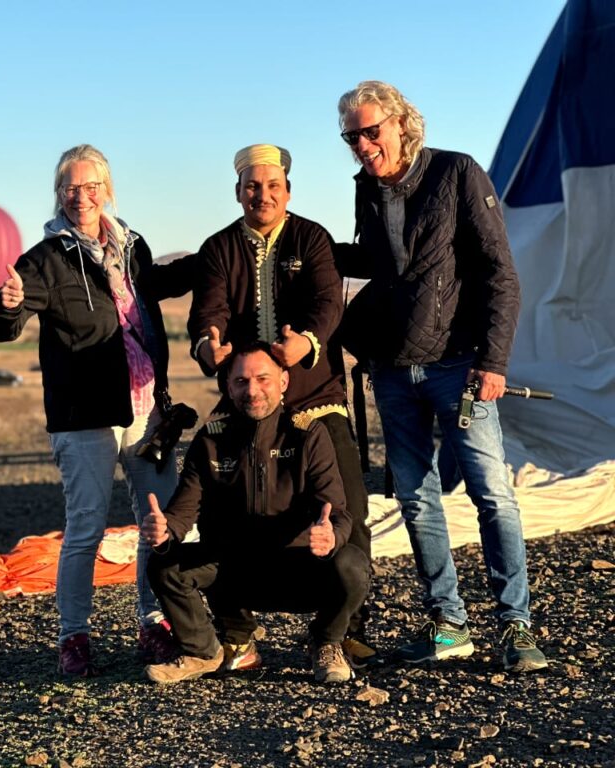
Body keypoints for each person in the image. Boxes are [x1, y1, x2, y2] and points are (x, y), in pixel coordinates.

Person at [334, 80, 547, 672]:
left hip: (460, 364)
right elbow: (380, 265)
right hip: (395, 369)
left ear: (402, 123)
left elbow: (500, 273)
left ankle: (516, 627)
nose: (362, 144)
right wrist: (303, 246)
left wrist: (495, 361)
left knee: (492, 495)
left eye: (371, 131)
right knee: (417, 500)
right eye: (352, 136)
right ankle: (449, 625)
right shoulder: (367, 190)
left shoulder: (456, 173)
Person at [0, 144, 192, 677]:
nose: (82, 197)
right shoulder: (46, 259)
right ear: (59, 194)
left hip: (145, 407)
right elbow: (2, 323)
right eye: (71, 188)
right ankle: (73, 637)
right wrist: (5, 306)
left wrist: (217, 257)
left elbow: (161, 286)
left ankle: (154, 623)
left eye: (91, 186)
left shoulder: (132, 246)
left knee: (156, 522)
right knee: (86, 529)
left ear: (108, 190)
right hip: (84, 417)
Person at [187, 143, 378, 669]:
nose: (262, 195)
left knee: (350, 507)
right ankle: (236, 630)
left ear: (287, 190)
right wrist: (210, 346)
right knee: (217, 507)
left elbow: (327, 302)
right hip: (248, 396)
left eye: (273, 186)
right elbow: (209, 310)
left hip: (315, 396)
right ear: (238, 192)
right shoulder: (218, 247)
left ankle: (342, 628)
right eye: (252, 186)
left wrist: (308, 341)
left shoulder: (311, 238)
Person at [140, 343, 370, 684]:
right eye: (241, 381)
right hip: (234, 571)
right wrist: (164, 530)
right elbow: (181, 512)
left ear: (284, 382)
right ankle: (203, 650)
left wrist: (330, 535)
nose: (252, 390)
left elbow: (337, 511)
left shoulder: (308, 434)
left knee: (352, 563)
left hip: (297, 567)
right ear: (228, 386)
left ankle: (326, 641)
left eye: (263, 378)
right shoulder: (211, 441)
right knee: (163, 564)